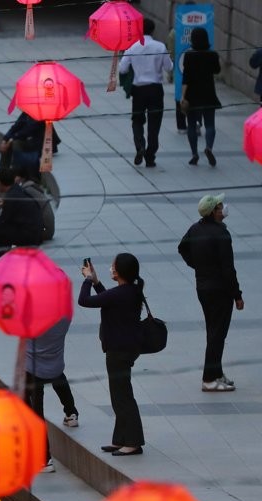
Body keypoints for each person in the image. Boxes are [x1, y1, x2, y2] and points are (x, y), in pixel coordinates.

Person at [78, 253, 146, 456]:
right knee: (119, 394)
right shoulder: (130, 291)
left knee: (122, 396)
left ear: (120, 271)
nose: (111, 268)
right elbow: (107, 299)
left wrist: (88, 280)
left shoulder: (121, 294)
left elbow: (84, 301)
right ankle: (121, 439)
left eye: (113, 266)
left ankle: (133, 441)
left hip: (119, 351)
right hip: (126, 348)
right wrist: (97, 282)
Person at [178, 194, 243, 392]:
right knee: (217, 334)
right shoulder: (221, 234)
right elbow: (228, 269)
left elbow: (182, 248)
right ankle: (209, 378)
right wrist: (237, 295)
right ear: (214, 212)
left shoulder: (195, 228)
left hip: (203, 288)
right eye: (220, 206)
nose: (223, 208)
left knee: (214, 332)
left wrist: (198, 265)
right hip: (220, 291)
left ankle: (216, 372)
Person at [25, 315, 80, 473]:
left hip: (33, 369)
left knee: (37, 411)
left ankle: (45, 458)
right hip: (55, 364)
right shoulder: (64, 319)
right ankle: (71, 413)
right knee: (59, 380)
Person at [118, 19, 173, 168]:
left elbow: (122, 69)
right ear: (153, 30)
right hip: (155, 88)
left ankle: (140, 146)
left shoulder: (132, 47)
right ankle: (150, 156)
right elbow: (169, 67)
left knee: (137, 119)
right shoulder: (160, 46)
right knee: (154, 123)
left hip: (138, 89)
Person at [181, 27, 221, 167]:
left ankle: (194, 154)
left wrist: (183, 97)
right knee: (210, 124)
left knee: (191, 125)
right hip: (209, 93)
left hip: (192, 95)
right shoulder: (212, 54)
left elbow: (185, 78)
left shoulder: (189, 55)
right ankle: (209, 147)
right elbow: (217, 70)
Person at [0, 112, 60, 177]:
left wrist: (11, 140)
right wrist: (5, 140)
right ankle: (2, 174)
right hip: (29, 141)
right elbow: (15, 126)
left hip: (41, 145)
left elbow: (27, 130)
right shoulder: (26, 113)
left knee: (15, 144)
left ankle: (16, 173)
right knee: (8, 145)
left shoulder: (41, 114)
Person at [15, 165, 54, 241]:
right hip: (49, 230)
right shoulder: (31, 185)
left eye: (14, 176)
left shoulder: (27, 189)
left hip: (45, 232)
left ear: (21, 177)